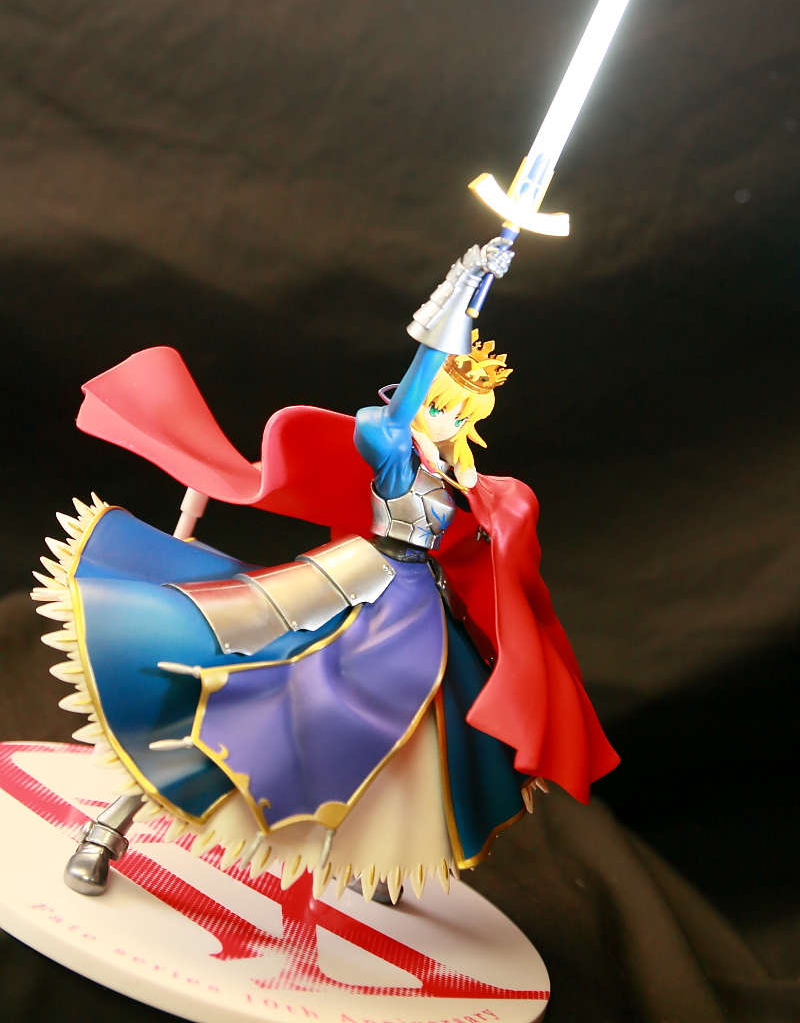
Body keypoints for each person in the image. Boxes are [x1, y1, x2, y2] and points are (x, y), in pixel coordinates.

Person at [35, 238, 618, 904]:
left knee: (426, 734)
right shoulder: (396, 455)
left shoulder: (464, 484)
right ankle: (110, 827)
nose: (448, 420)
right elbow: (393, 416)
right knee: (243, 684)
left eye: (462, 413)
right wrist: (462, 290)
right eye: (441, 405)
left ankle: (381, 866)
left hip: (420, 614)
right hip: (355, 585)